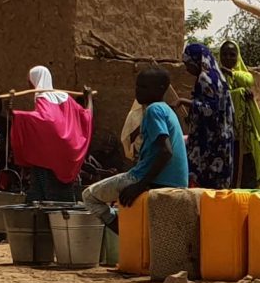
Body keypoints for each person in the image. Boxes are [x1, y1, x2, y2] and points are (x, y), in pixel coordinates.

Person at [83, 66, 189, 212]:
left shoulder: (154, 110)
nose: (138, 91)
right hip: (176, 181)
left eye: (144, 87)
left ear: (161, 89)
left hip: (149, 178)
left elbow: (166, 151)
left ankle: (122, 233)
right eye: (138, 86)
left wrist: (140, 186)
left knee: (89, 196)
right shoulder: (167, 110)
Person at [10, 66, 91, 200]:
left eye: (29, 81)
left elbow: (46, 121)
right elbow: (86, 115)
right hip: (65, 158)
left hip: (48, 161)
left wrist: (16, 114)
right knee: (62, 199)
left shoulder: (42, 97)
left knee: (47, 201)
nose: (28, 84)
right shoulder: (66, 97)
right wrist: (89, 99)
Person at [221, 40, 260, 187]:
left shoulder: (242, 76)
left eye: (232, 55)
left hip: (246, 137)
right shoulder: (217, 77)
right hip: (226, 135)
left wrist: (238, 89)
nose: (228, 58)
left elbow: (247, 79)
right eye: (224, 54)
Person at [178, 40, 236, 188]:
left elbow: (211, 108)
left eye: (188, 64)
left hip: (211, 143)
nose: (187, 68)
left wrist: (185, 102)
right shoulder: (218, 77)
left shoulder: (205, 79)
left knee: (206, 187)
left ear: (197, 61)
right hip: (223, 139)